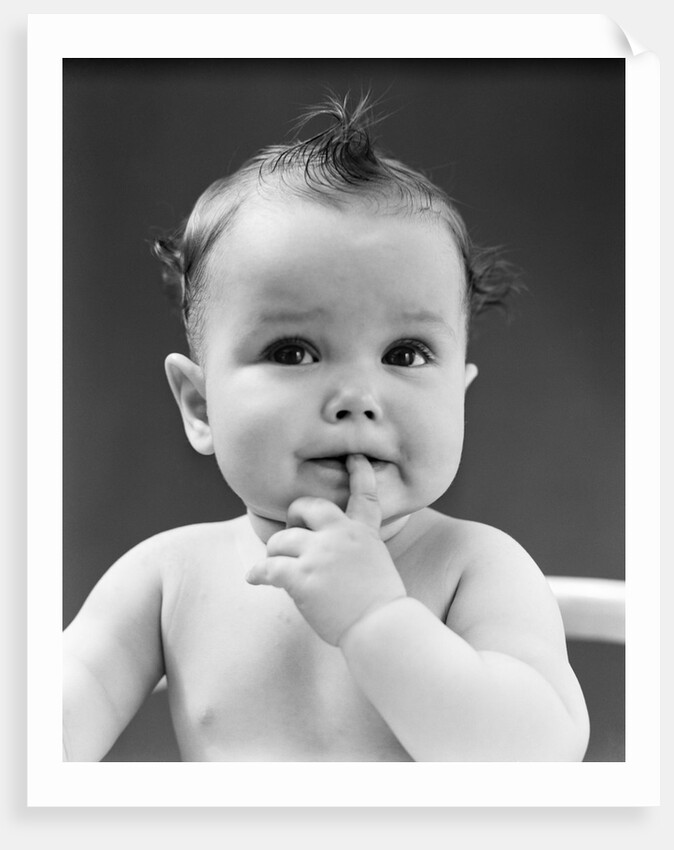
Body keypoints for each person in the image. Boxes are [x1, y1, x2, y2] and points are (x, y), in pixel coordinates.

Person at [63, 94, 589, 762]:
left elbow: (538, 760)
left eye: (404, 354)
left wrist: (376, 619)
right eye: (292, 352)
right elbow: (47, 723)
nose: (357, 398)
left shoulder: (474, 570)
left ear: (461, 396)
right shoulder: (168, 578)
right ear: (201, 407)